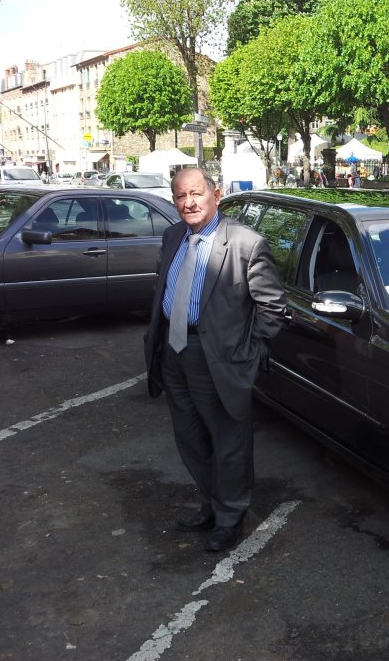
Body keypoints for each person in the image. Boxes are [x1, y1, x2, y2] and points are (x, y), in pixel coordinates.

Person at [143, 168, 286, 553]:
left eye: (196, 194)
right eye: (180, 196)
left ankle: (230, 517)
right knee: (190, 439)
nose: (188, 203)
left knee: (228, 444)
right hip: (174, 354)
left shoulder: (246, 244)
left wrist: (246, 354)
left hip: (219, 361)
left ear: (215, 195)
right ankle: (210, 504)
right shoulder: (174, 236)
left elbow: (272, 309)